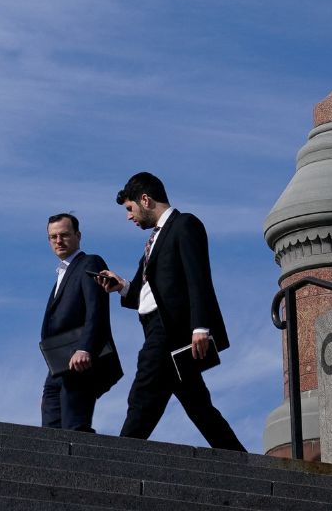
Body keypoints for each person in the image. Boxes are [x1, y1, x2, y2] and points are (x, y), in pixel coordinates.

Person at [95, 172, 245, 450]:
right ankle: (239, 459)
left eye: (130, 209)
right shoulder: (155, 239)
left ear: (145, 199)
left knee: (143, 392)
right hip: (157, 327)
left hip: (170, 330)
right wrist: (122, 286)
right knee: (198, 405)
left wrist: (200, 327)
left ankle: (120, 457)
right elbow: (147, 288)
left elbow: (197, 277)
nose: (129, 217)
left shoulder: (185, 224)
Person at [40, 212, 121, 432]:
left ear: (78, 235)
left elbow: (97, 309)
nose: (58, 241)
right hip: (57, 364)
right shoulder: (61, 273)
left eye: (64, 235)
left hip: (80, 359)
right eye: (53, 237)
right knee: (49, 431)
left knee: (75, 427)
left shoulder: (90, 262)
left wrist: (85, 348)